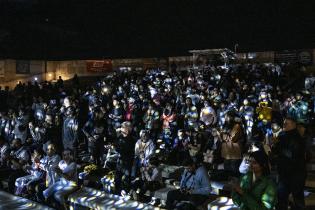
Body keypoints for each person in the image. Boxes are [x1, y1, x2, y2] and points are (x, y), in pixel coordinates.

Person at [272, 117, 307, 210]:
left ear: (293, 125)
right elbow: (276, 151)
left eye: (287, 123)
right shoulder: (282, 134)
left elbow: (292, 154)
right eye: (284, 123)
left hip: (296, 174)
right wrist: (274, 145)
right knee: (281, 198)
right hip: (284, 173)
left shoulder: (297, 138)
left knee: (298, 199)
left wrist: (278, 147)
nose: (284, 125)